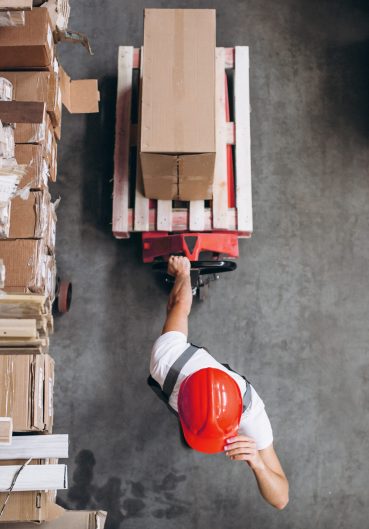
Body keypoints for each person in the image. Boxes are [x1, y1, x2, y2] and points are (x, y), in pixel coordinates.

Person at [150, 256, 289, 510]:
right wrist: (184, 274)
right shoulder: (167, 361)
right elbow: (178, 304)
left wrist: (257, 462)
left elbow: (281, 499)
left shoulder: (252, 415)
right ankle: (193, 427)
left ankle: (194, 428)